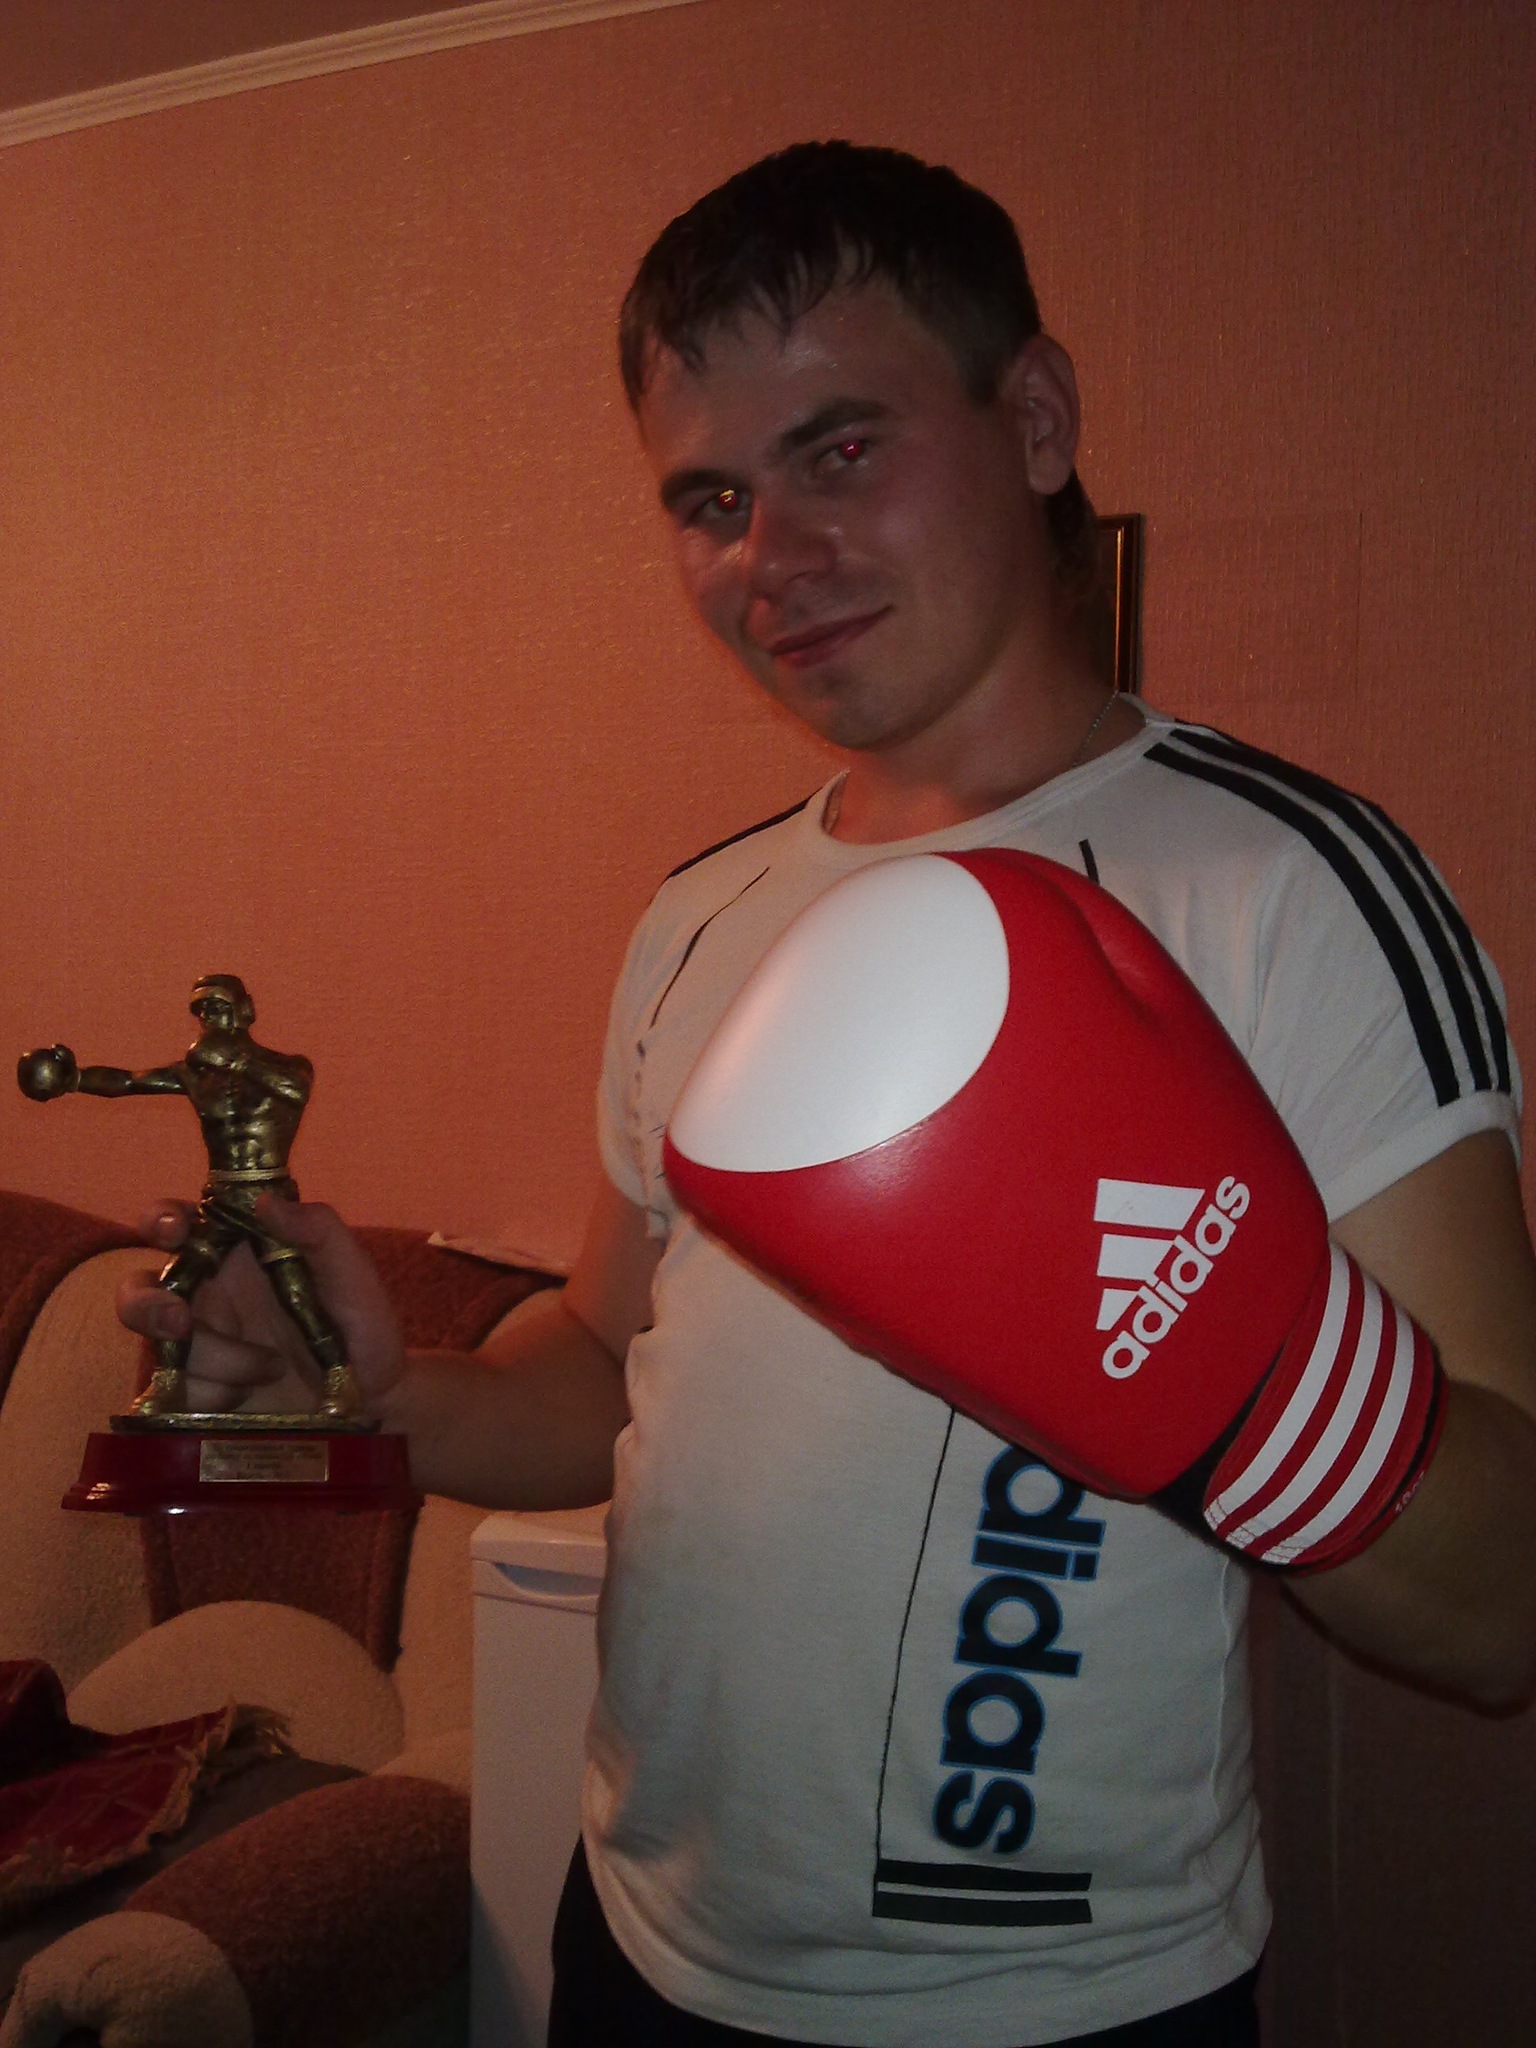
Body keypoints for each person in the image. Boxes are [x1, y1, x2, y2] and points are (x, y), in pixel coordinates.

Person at [116, 144, 1536, 2046]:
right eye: (709, 498)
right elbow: (600, 1365)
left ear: (1036, 420)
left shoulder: (1292, 888)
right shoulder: (702, 915)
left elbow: (1503, 1606)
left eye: (840, 449)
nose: (767, 561)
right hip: (641, 1933)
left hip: (1048, 1998)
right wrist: (367, 1395)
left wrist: (1232, 1369)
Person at [24, 975, 357, 1420]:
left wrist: (238, 1061)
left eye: (218, 1008)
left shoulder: (287, 1066)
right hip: (221, 1199)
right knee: (174, 1286)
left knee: (297, 1295)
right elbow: (129, 1081)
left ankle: (340, 1376)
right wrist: (76, 1078)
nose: (209, 1019)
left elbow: (295, 1089)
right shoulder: (197, 1075)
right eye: (202, 1012)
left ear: (245, 1012)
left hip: (270, 1198)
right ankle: (168, 1383)